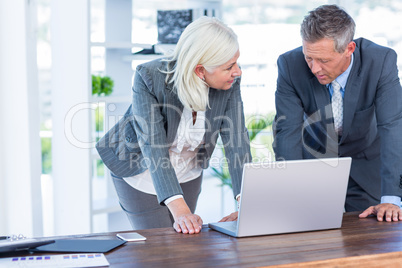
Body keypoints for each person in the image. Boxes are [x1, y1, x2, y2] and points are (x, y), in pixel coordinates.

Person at [96, 16, 251, 234]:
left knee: (184, 242)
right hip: (142, 168)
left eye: (237, 62)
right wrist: (180, 209)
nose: (237, 71)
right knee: (159, 246)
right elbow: (154, 146)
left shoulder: (229, 80)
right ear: (200, 70)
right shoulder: (148, 77)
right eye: (229, 66)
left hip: (188, 170)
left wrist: (246, 202)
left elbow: (237, 141)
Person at [273, 4, 402, 222]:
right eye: (309, 58)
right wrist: (290, 193)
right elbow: (288, 132)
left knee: (368, 240)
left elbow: (392, 126)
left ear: (349, 49)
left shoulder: (380, 61)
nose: (314, 69)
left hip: (366, 166)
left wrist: (392, 198)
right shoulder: (289, 65)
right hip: (315, 167)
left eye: (323, 60)